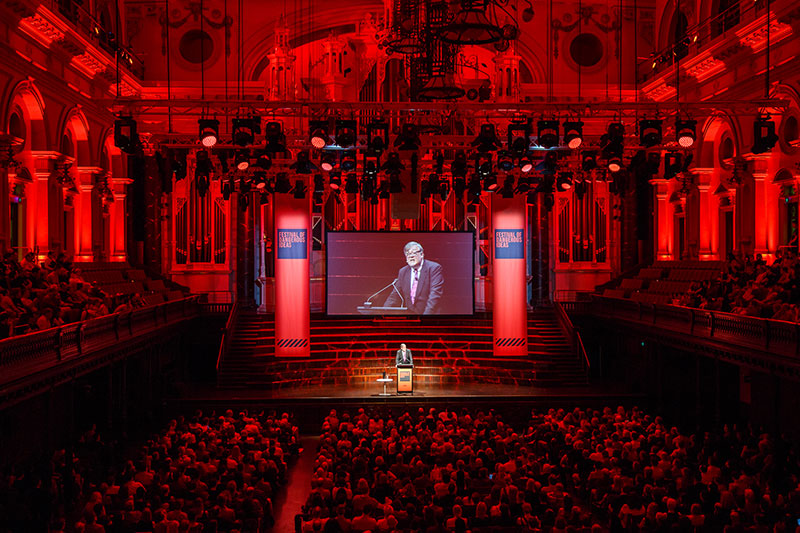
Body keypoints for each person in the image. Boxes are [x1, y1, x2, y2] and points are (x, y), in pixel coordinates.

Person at [384, 241, 444, 314]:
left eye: (414, 253)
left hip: (430, 314)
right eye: (408, 254)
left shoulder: (433, 268)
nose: (411, 256)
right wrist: (383, 312)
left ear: (421, 254)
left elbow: (434, 295)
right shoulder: (403, 271)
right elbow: (394, 296)